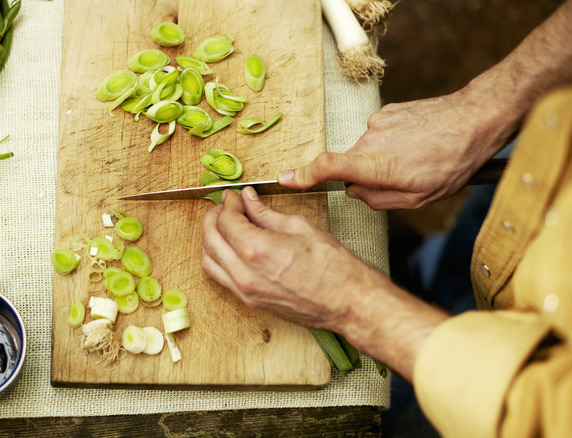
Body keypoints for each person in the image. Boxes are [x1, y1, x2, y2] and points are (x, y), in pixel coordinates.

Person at [200, 1, 572, 437]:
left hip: (489, 410)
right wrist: (486, 109)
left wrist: (354, 302)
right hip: (552, 158)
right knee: (472, 244)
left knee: (401, 422)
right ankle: (435, 280)